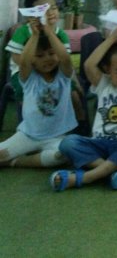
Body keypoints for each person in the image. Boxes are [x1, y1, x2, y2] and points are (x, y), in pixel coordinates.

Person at [52, 25, 117, 191]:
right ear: (108, 70)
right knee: (68, 143)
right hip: (99, 143)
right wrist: (112, 38)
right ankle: (113, 170)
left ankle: (86, 177)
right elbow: (89, 65)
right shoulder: (103, 83)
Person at [4, 0, 85, 132]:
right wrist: (37, 69)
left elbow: (64, 60)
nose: (51, 13)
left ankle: (80, 125)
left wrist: (74, 80)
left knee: (74, 95)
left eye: (53, 8)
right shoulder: (23, 31)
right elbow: (16, 57)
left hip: (53, 71)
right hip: (25, 73)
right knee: (28, 96)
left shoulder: (61, 34)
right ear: (31, 15)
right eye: (43, 10)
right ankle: (28, 126)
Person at [0, 20, 76, 169]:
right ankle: (14, 158)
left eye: (51, 53)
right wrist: (34, 35)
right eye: (39, 56)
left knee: (62, 155)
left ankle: (16, 162)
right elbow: (24, 62)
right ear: (32, 60)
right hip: (28, 135)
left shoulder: (63, 77)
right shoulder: (29, 79)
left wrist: (49, 32)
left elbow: (66, 58)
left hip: (57, 136)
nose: (47, 59)